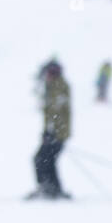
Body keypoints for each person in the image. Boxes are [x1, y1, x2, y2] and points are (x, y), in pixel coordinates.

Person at [28, 60, 72, 200]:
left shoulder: (58, 86)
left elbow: (56, 111)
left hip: (58, 134)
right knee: (48, 160)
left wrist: (51, 132)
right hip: (56, 133)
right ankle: (53, 188)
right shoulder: (54, 85)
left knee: (41, 159)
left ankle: (47, 187)